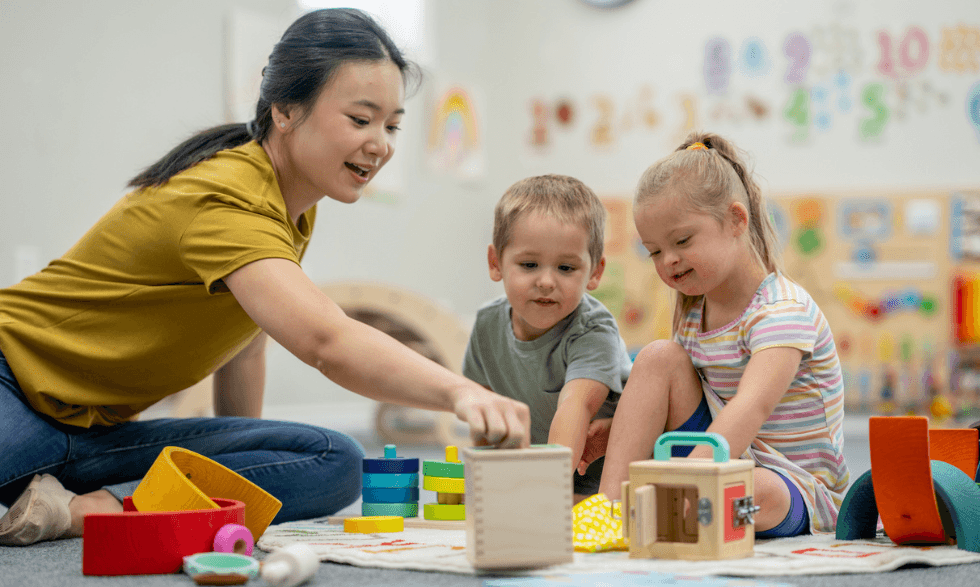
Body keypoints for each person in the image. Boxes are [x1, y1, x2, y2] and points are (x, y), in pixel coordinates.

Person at [0, 8, 529, 547]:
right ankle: (59, 499)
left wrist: (240, 449)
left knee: (332, 460)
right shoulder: (229, 195)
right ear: (284, 110)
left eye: (391, 125)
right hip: (11, 389)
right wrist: (462, 393)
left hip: (85, 433)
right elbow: (327, 340)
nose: (382, 144)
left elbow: (245, 343)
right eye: (360, 119)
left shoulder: (292, 204)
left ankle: (80, 511)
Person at [581, 132, 849, 537]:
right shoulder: (693, 312)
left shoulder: (781, 311)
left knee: (760, 492)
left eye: (682, 241)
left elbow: (752, 406)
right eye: (654, 251)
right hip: (720, 457)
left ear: (736, 221)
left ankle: (674, 505)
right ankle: (611, 512)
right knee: (656, 356)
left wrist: (692, 476)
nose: (668, 260)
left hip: (795, 483)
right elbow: (680, 393)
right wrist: (622, 427)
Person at [462, 175, 631, 502]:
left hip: (605, 482)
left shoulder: (593, 330)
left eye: (566, 268)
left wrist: (543, 488)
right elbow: (484, 411)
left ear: (594, 272)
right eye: (529, 264)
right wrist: (485, 481)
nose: (546, 281)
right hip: (543, 473)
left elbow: (576, 405)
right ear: (495, 263)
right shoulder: (487, 324)